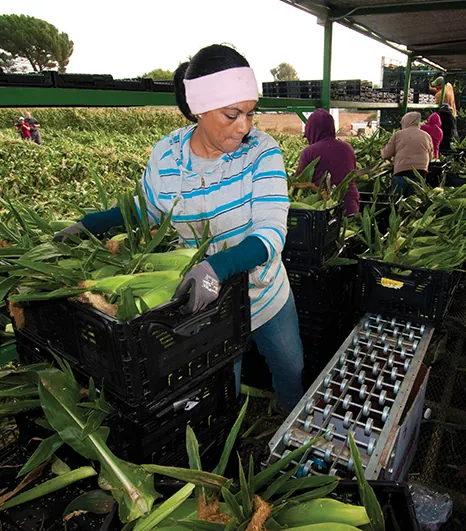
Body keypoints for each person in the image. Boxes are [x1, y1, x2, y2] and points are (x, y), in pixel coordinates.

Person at [54, 44, 304, 413]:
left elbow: (271, 232)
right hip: (208, 304)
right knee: (222, 382)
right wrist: (87, 226)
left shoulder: (261, 152)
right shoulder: (168, 155)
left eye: (251, 114)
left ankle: (288, 421)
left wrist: (217, 268)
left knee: (290, 366)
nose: (244, 126)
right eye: (232, 114)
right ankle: (230, 449)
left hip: (263, 291)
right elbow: (149, 210)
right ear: (197, 108)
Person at [297, 108, 359, 215]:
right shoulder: (348, 148)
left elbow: (299, 182)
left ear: (312, 132)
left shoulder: (309, 152)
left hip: (326, 210)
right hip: (350, 205)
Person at [381, 111, 434, 196]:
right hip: (420, 173)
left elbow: (386, 155)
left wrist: (384, 154)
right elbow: (431, 156)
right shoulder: (426, 136)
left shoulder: (398, 134)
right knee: (415, 201)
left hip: (401, 172)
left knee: (397, 201)